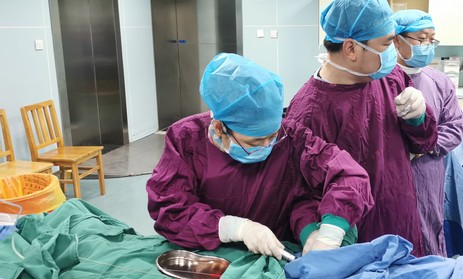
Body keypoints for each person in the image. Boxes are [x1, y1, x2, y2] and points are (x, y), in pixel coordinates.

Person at [147, 53, 374, 260]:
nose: (267, 146)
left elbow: (348, 175)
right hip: (209, 256)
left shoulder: (292, 137)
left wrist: (325, 235)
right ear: (218, 128)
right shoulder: (186, 139)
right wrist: (235, 228)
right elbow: (170, 210)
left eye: (272, 137)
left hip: (274, 253)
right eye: (255, 142)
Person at [284, 0, 439, 257]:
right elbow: (299, 191)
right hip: (352, 237)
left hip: (400, 218)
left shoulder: (389, 78)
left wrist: (419, 119)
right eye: (386, 44)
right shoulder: (309, 112)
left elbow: (423, 144)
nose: (392, 52)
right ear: (351, 48)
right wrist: (312, 233)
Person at [391, 10, 463, 256]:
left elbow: (454, 127)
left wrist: (423, 148)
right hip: (390, 170)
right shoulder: (380, 81)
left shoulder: (439, 82)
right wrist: (399, 153)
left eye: (431, 40)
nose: (427, 46)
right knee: (392, 229)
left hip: (428, 171)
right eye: (421, 39)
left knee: (429, 226)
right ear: (397, 40)